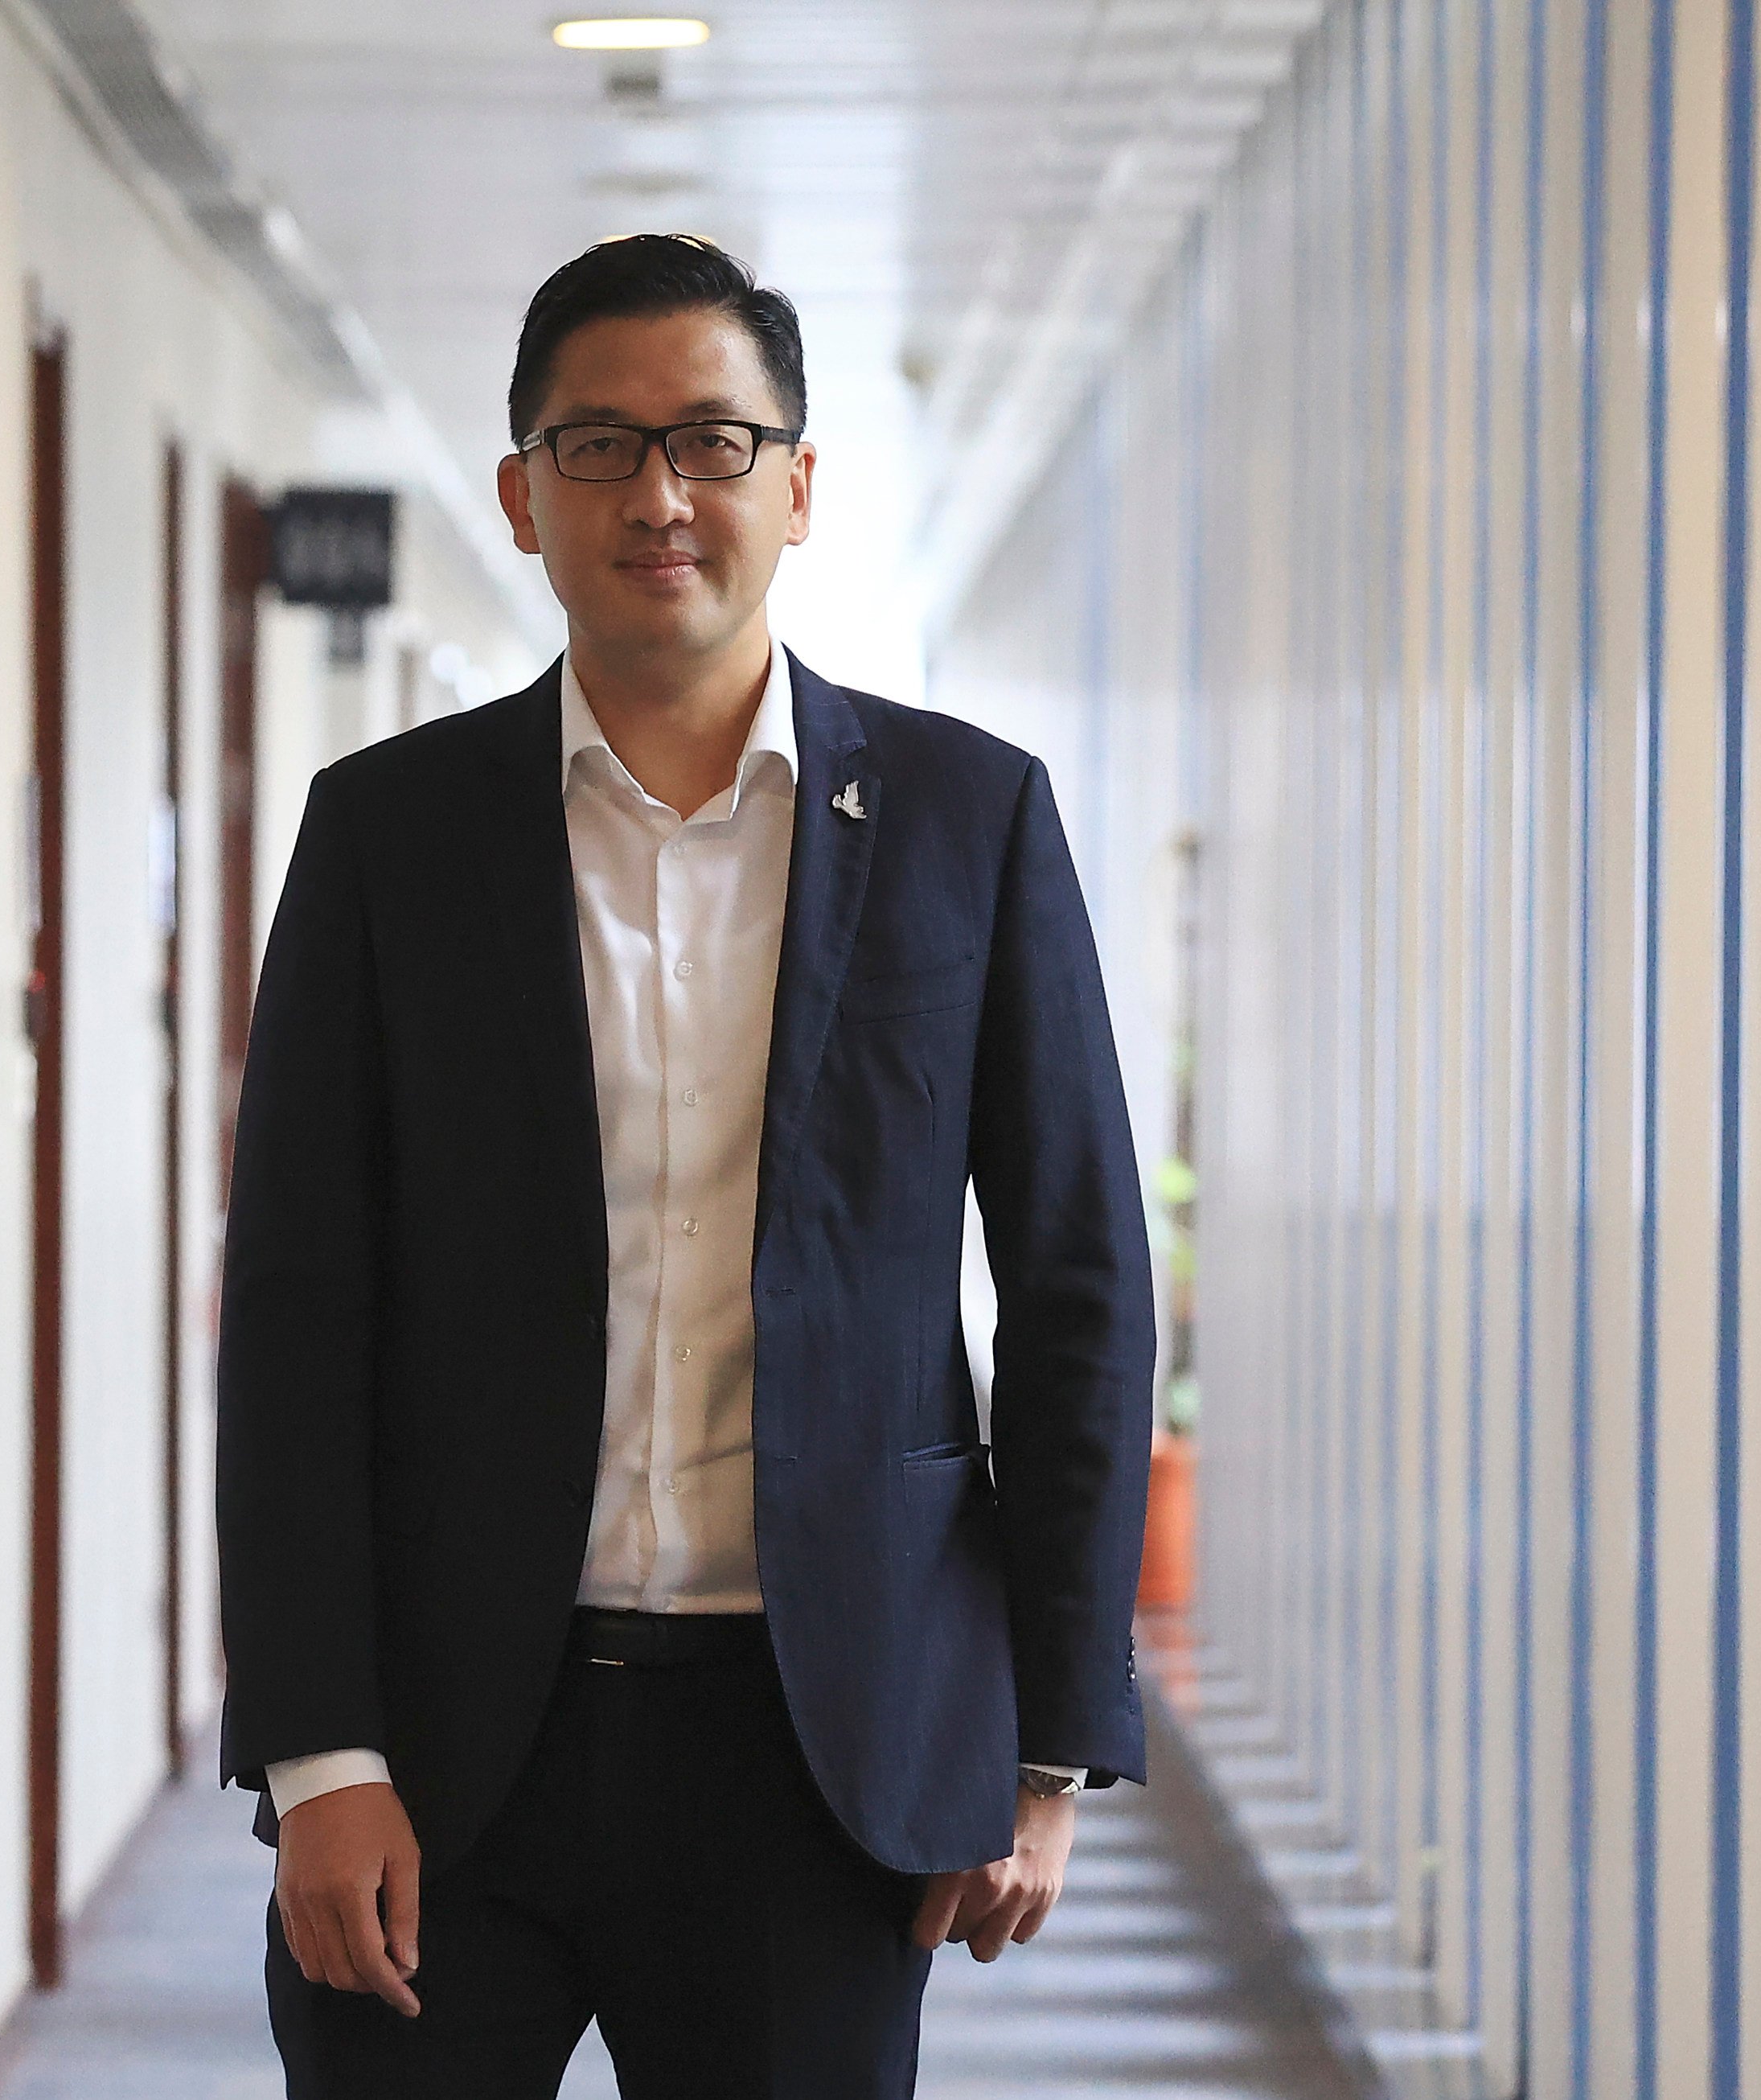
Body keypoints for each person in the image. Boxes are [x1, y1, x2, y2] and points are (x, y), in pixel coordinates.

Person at [215, 233, 1156, 2098]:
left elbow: (1074, 1290)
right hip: (441, 1744)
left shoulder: (970, 822)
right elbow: (295, 1309)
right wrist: (319, 1752)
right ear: (517, 496)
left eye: (715, 443)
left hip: (815, 1753)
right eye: (598, 445)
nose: (657, 495)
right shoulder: (387, 834)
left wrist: (1037, 1748)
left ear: (797, 487)